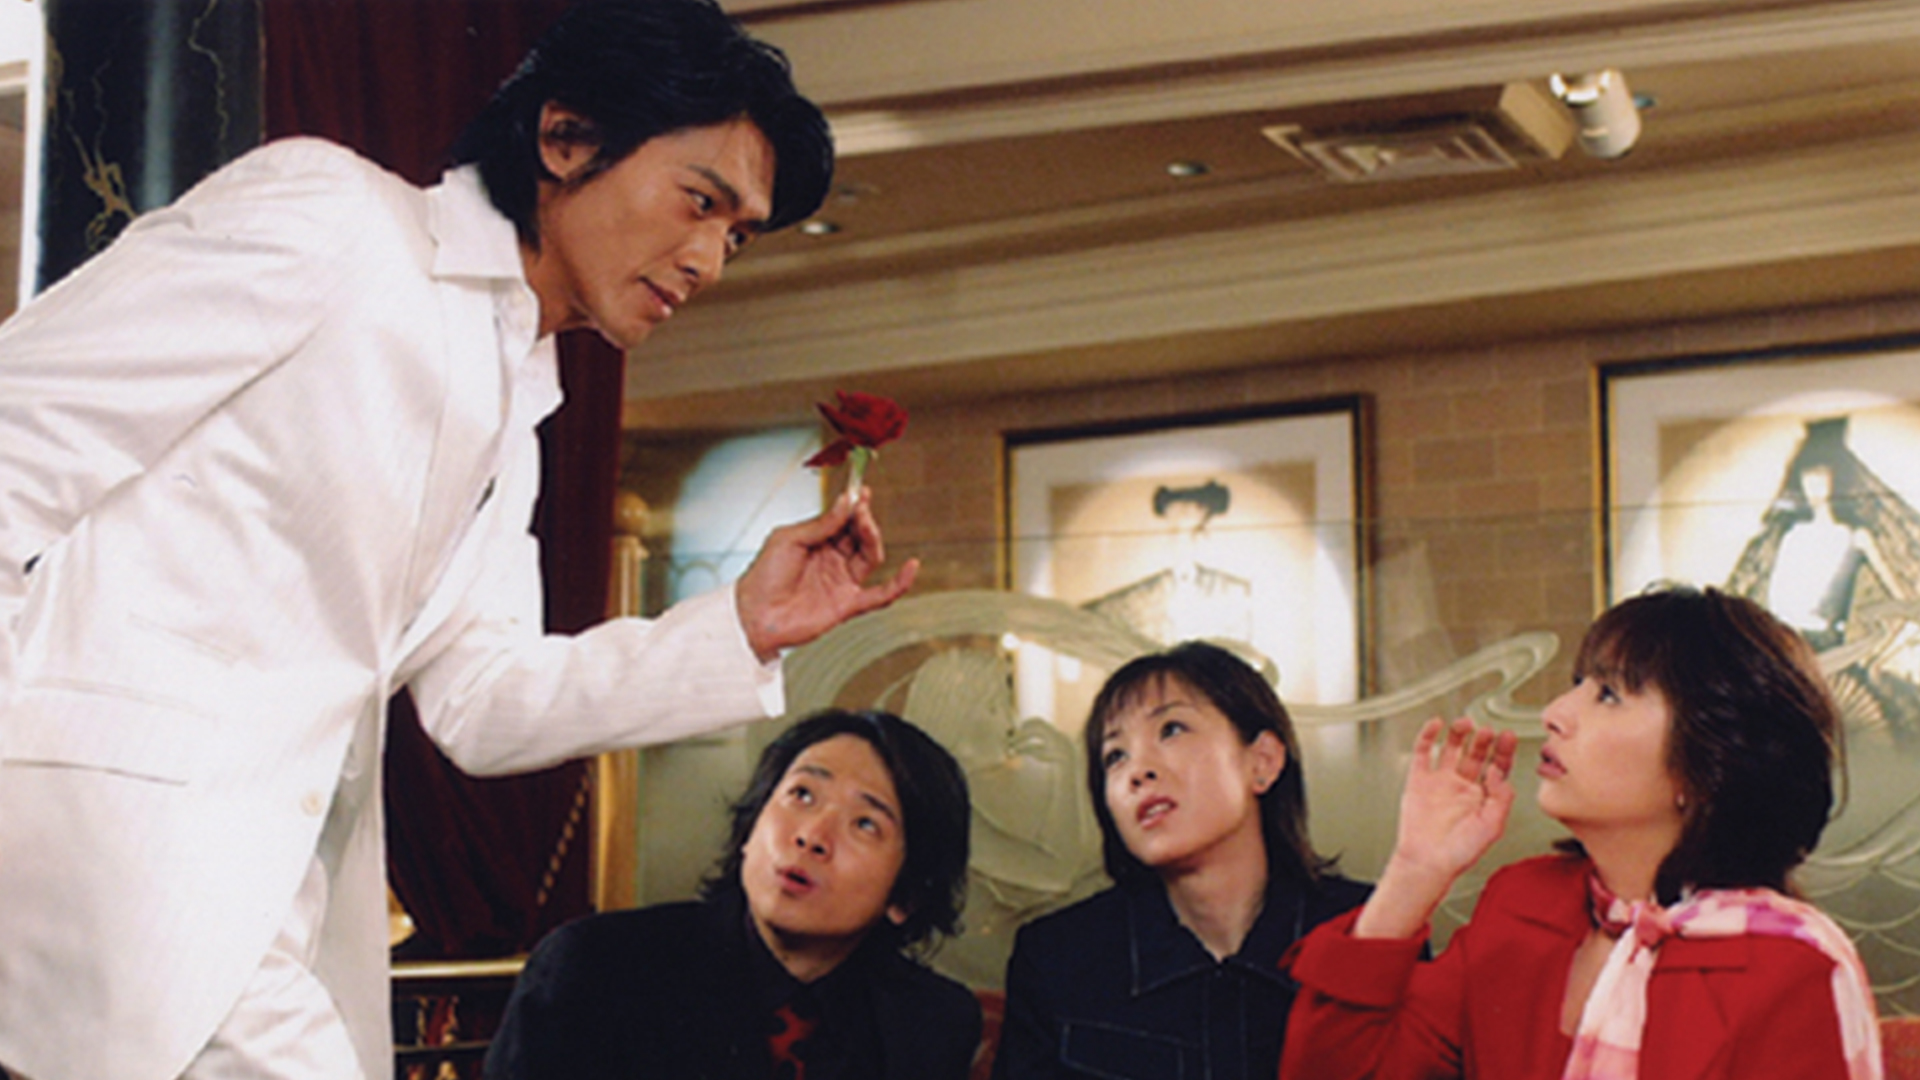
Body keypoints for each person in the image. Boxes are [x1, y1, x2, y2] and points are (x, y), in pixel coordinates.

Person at [0, 3, 918, 1080]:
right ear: (566, 138)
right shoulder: (337, 219)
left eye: (737, 234)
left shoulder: (516, 404)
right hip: (102, 859)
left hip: (265, 907)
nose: (710, 260)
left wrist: (743, 629)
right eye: (700, 201)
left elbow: (481, 705)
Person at [1281, 585, 1883, 1080]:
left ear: (1708, 764)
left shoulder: (1788, 966)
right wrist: (1415, 869)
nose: (1555, 714)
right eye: (1579, 684)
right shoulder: (1522, 906)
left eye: (1609, 694)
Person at [485, 709, 981, 1080]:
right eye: (802, 794)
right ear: (750, 827)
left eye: (865, 824)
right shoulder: (594, 968)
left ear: (907, 896)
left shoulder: (932, 1024)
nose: (811, 836)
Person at [992, 641, 1372, 1080]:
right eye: (1115, 756)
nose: (1138, 771)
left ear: (1262, 762)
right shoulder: (1057, 958)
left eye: (1171, 729)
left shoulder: (1369, 930)